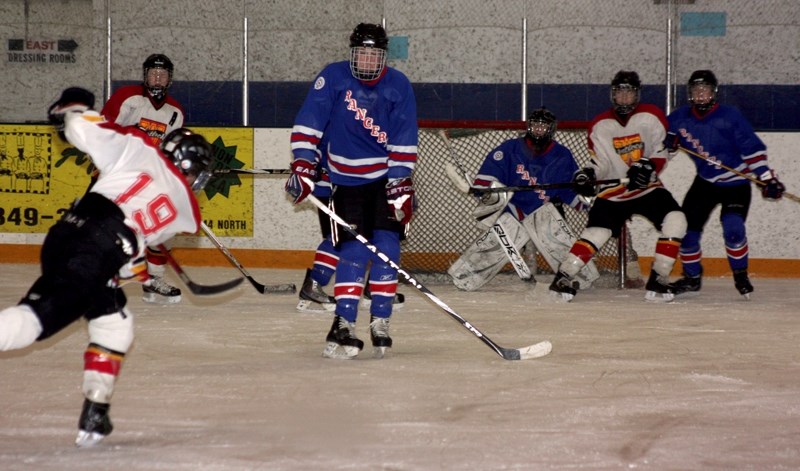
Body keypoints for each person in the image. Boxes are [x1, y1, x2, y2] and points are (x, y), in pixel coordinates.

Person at [0, 87, 214, 447]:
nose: (197, 183)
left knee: (116, 325)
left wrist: (72, 110)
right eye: (199, 175)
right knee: (37, 319)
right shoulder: (186, 214)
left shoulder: (140, 147)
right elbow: (135, 245)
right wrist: (134, 265)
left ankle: (95, 410)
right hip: (96, 250)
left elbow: (86, 130)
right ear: (191, 169)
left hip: (69, 231)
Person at [286, 23, 418, 359]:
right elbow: (309, 124)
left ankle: (380, 321)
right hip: (345, 182)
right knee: (354, 251)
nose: (368, 59)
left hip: (385, 179)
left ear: (383, 55)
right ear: (352, 52)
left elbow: (404, 136)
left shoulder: (398, 84)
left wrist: (400, 181)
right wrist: (303, 165)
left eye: (375, 53)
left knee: (387, 248)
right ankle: (344, 322)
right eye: (363, 52)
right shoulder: (332, 77)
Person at [549, 70, 687, 302]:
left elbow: (660, 151)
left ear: (637, 94)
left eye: (629, 92)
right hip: (614, 191)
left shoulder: (652, 115)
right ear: (612, 94)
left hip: (647, 188)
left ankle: (659, 279)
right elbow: (600, 162)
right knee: (598, 232)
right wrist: (588, 174)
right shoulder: (600, 124)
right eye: (619, 92)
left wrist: (647, 166)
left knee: (676, 220)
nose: (624, 98)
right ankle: (563, 277)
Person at [664, 70, 785, 299]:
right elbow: (664, 144)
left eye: (705, 91)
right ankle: (691, 278)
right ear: (690, 94)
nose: (701, 95)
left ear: (714, 93)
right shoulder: (679, 117)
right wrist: (668, 143)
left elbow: (751, 150)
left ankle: (740, 275)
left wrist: (767, 179)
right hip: (705, 183)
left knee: (733, 228)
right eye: (696, 91)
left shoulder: (730, 115)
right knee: (687, 232)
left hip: (737, 183)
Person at [448, 107, 599, 291]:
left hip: (543, 208)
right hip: (514, 207)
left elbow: (569, 188)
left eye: (543, 127)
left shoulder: (561, 154)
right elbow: (491, 172)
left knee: (555, 237)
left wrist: (586, 200)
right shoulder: (511, 148)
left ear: (551, 129)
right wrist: (483, 189)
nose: (538, 130)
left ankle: (579, 276)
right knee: (498, 238)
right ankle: (465, 276)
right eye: (535, 125)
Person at [102, 53, 186, 304]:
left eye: (163, 74)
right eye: (153, 73)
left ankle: (153, 280)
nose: (158, 78)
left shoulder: (175, 111)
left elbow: (170, 150)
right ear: (145, 75)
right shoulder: (128, 97)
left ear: (169, 79)